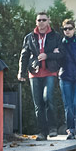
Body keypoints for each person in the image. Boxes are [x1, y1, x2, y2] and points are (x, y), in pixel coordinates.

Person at [17, 11, 63, 140]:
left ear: (48, 21)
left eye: (44, 20)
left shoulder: (56, 36)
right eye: (39, 20)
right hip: (34, 72)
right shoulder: (30, 37)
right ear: (36, 22)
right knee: (38, 104)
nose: (41, 22)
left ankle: (53, 128)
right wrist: (21, 72)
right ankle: (42, 132)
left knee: (48, 98)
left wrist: (48, 55)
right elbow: (24, 55)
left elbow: (62, 53)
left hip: (50, 71)